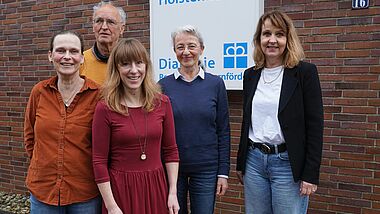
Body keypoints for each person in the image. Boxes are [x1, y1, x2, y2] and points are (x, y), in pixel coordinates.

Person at [236, 10, 324, 213]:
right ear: (259, 39)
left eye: (279, 34)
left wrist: (310, 174)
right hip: (254, 162)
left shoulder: (304, 73)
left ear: (288, 39)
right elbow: (247, 122)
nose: (272, 40)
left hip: (287, 165)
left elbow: (315, 126)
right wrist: (242, 163)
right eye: (266, 34)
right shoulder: (250, 75)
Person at [92, 38, 180, 214]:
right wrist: (111, 206)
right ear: (116, 69)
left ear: (146, 66)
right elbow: (99, 161)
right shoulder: (105, 108)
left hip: (156, 187)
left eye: (139, 63)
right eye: (125, 64)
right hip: (121, 191)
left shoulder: (162, 103)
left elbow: (170, 150)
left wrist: (172, 192)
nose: (134, 70)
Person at [24, 31, 101, 213]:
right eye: (61, 51)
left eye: (73, 51)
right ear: (51, 56)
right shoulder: (39, 92)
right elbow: (30, 136)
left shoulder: (98, 95)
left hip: (84, 193)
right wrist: (42, 164)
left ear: (82, 58)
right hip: (44, 191)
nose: (67, 57)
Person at [159, 25, 231, 214]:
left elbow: (223, 131)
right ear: (174, 51)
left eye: (191, 46)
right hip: (173, 169)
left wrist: (223, 172)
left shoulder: (215, 84)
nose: (186, 52)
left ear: (201, 49)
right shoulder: (163, 86)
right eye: (180, 47)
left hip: (207, 169)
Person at [80, 1, 126, 85]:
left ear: (121, 29)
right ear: (93, 27)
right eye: (99, 21)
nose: (104, 27)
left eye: (110, 22)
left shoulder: (130, 62)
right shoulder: (80, 61)